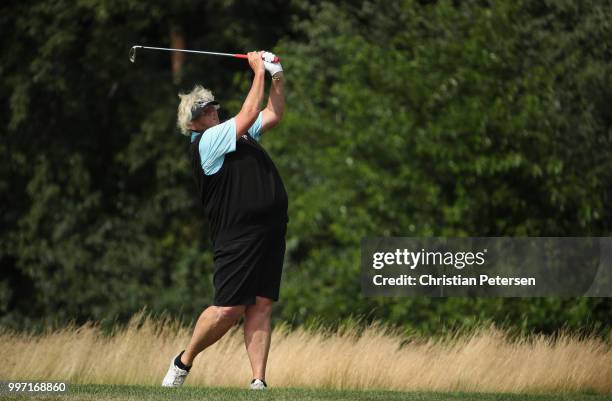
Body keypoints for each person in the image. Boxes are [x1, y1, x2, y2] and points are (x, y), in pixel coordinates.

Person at [162, 51, 287, 390]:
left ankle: (258, 381)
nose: (213, 110)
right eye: (204, 110)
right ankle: (183, 362)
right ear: (192, 124)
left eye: (213, 105)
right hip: (237, 234)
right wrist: (257, 71)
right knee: (227, 309)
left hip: (269, 230)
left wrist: (277, 76)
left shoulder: (237, 134)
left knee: (261, 304)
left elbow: (273, 113)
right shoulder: (206, 142)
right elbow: (249, 112)